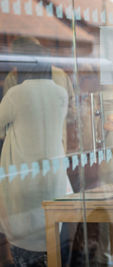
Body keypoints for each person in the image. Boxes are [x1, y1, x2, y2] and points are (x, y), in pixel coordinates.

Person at [0, 59, 68, 266]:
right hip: (53, 174)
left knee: (24, 237)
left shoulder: (16, 94)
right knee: (49, 234)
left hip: (23, 174)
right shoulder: (60, 93)